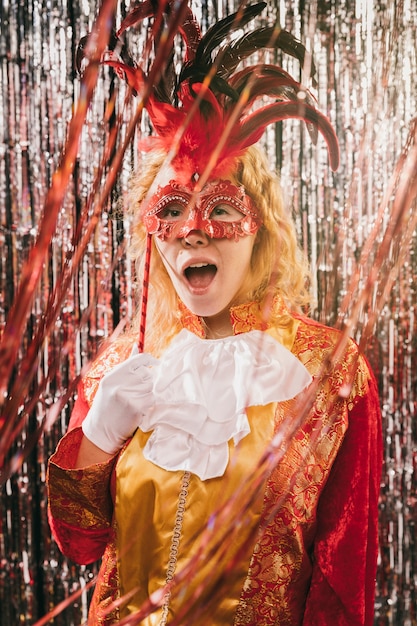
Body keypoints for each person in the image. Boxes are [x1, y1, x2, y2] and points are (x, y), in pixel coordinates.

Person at [47, 2, 382, 625]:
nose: (193, 232)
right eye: (171, 210)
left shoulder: (331, 377)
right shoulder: (123, 363)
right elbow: (79, 545)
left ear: (261, 226)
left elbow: (342, 588)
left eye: (219, 208)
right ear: (154, 232)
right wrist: (95, 439)